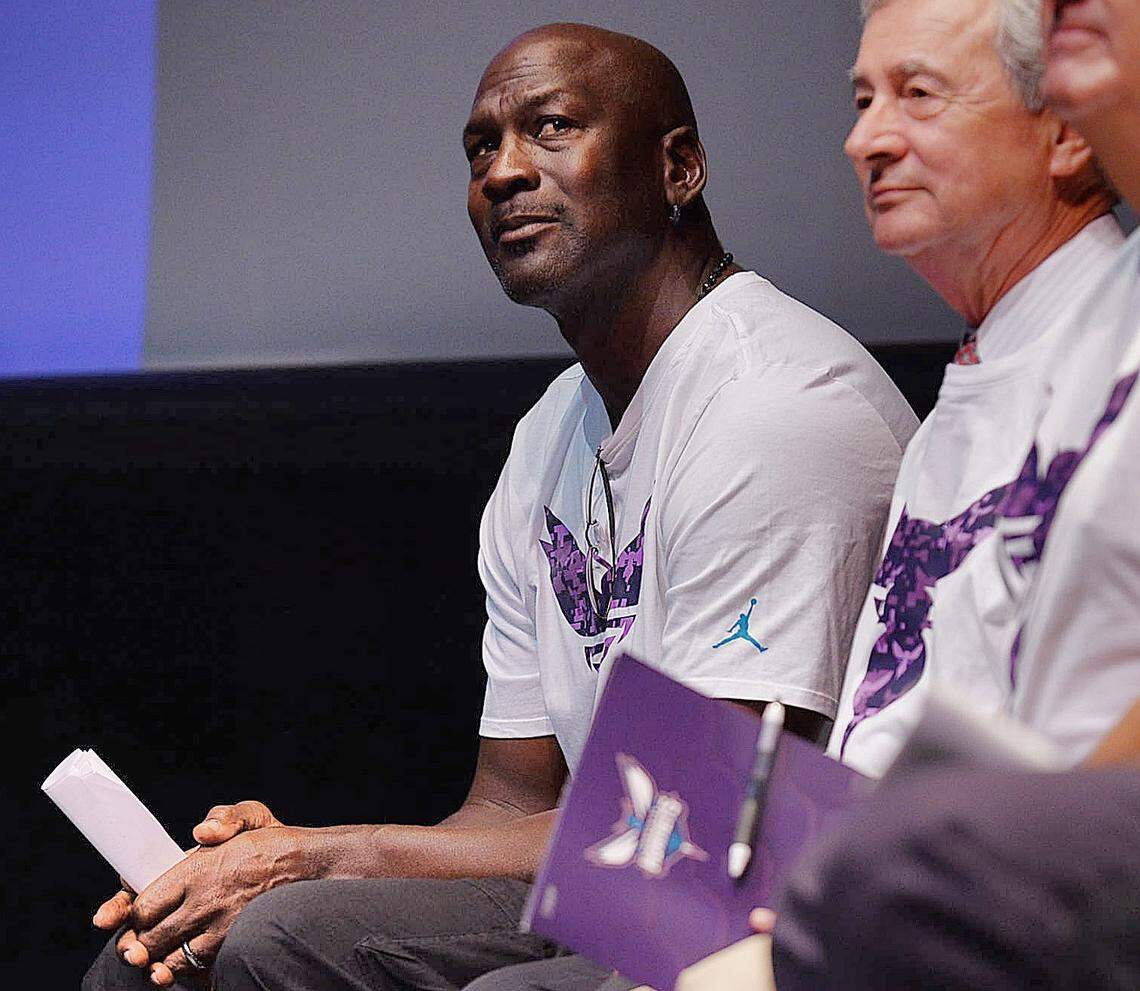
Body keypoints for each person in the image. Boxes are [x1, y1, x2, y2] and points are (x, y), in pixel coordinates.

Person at [83, 23, 916, 991]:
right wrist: (286, 867)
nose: (504, 172)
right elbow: (508, 807)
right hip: (612, 885)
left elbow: (696, 824)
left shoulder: (775, 404)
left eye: (552, 127)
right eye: (482, 147)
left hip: (765, 902)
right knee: (176, 951)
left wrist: (318, 857)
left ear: (678, 167)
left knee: (289, 935)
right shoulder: (550, 430)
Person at [830, 0, 1126, 778]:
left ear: (1064, 131)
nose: (865, 140)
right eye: (864, 99)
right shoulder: (982, 369)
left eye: (918, 93)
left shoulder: (1116, 359)